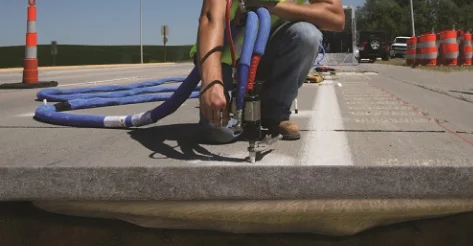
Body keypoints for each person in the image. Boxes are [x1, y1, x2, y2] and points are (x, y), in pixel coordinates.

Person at [192, 0, 345, 144]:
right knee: (219, 132)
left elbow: (335, 18)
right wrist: (212, 81)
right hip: (223, 58)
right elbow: (210, 16)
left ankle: (274, 114)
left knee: (307, 35)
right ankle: (237, 102)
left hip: (268, 51)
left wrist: (267, 5)